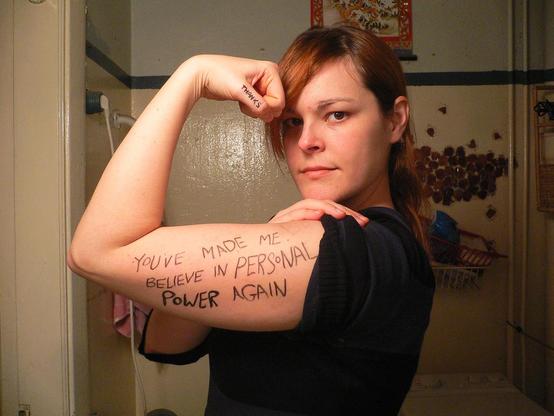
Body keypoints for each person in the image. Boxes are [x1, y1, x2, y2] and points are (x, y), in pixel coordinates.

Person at [68, 25, 435, 415]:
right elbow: (164, 341)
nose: (307, 140)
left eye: (337, 114)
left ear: (394, 121)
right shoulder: (307, 236)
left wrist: (193, 75)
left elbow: (95, 252)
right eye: (293, 121)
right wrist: (271, 235)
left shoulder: (365, 250)